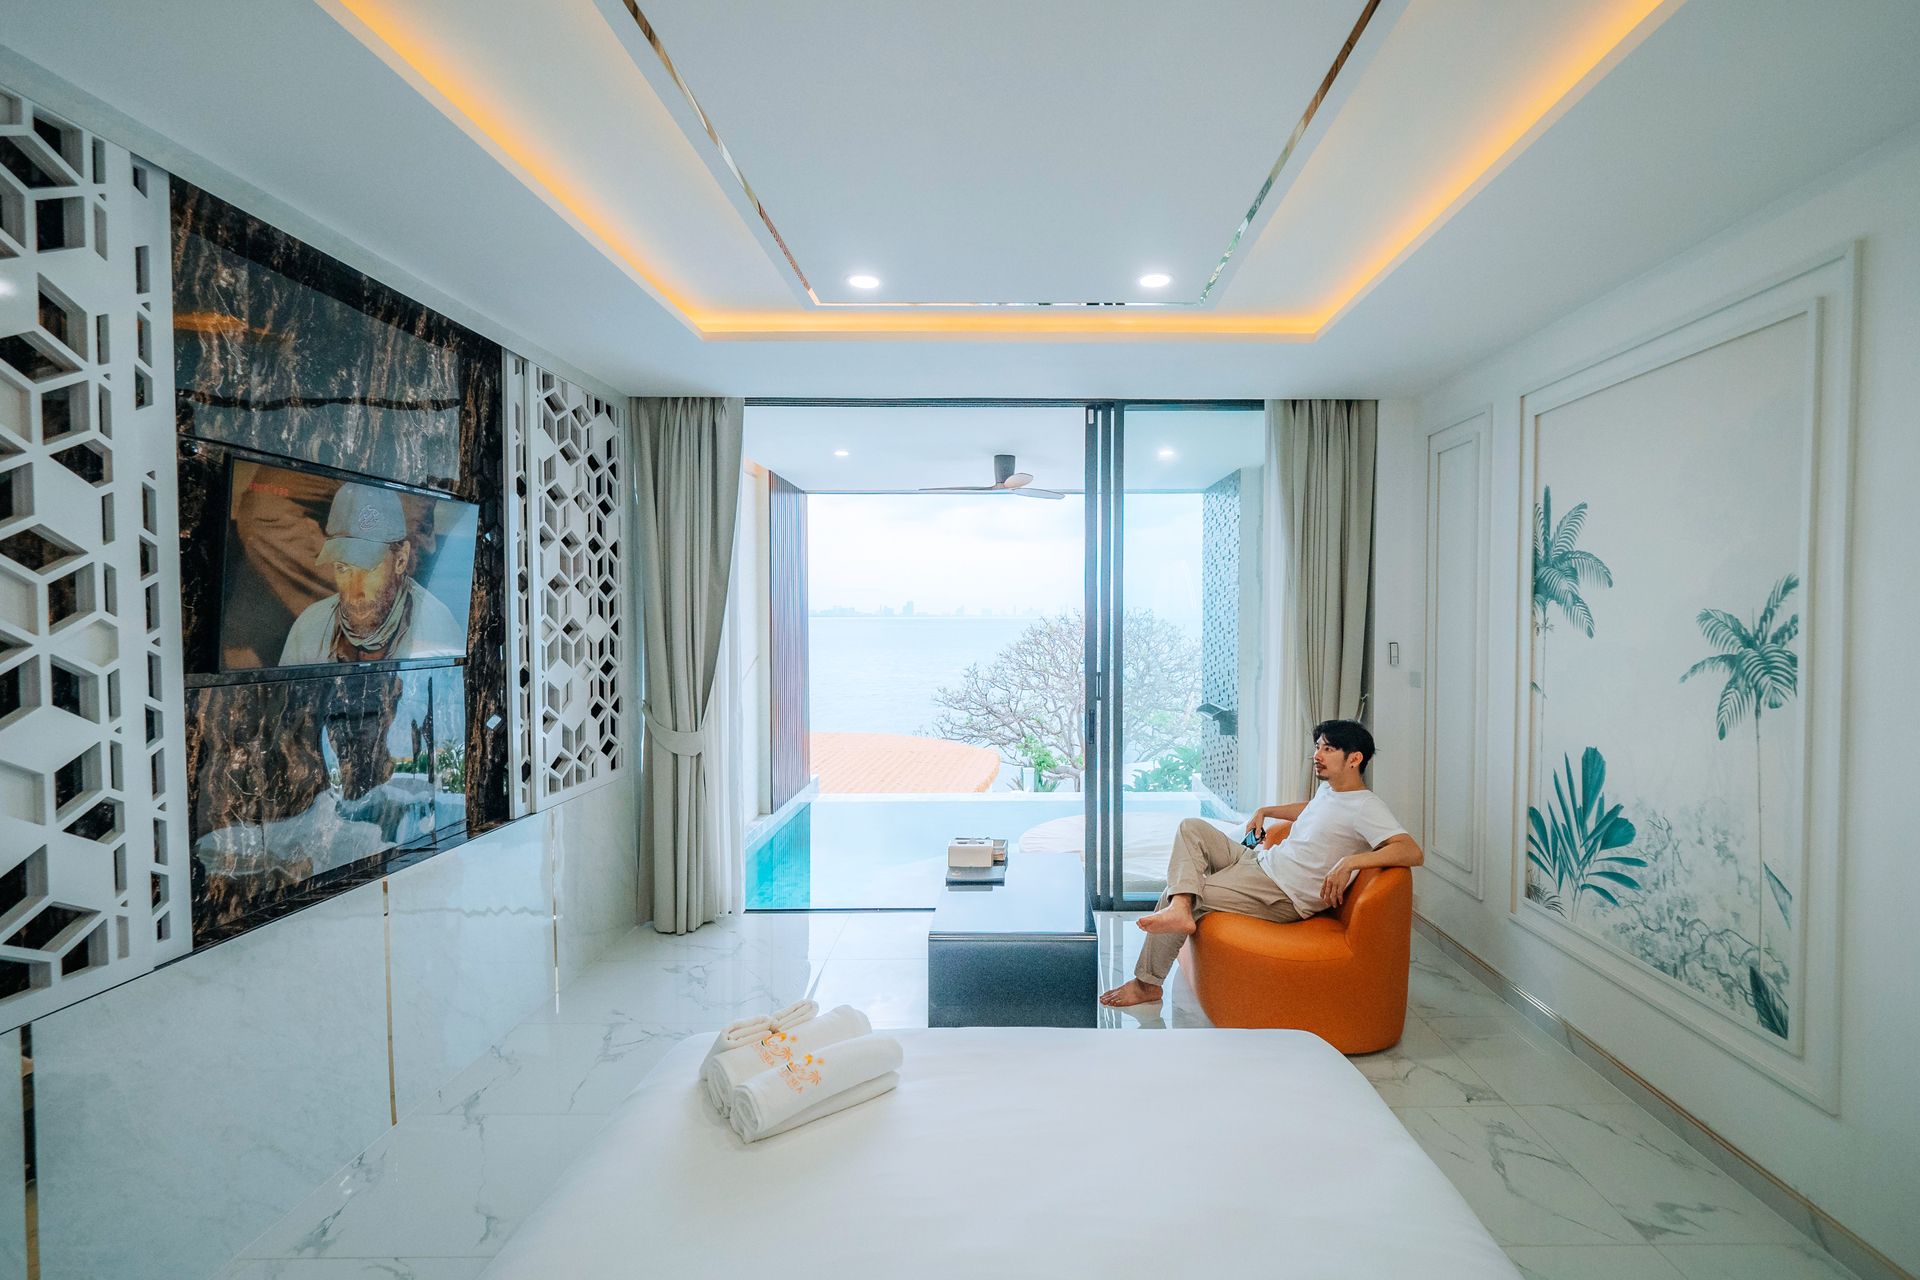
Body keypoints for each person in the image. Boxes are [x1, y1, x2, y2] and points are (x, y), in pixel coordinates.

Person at [1098, 719, 1422, 1008]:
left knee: (1176, 891)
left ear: (1355, 759)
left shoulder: (1367, 807)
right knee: (1191, 827)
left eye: (1329, 749)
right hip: (1259, 862)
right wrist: (1267, 810)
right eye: (1318, 747)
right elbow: (1311, 810)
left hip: (1279, 893)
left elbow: (1410, 851)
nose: (1318, 755)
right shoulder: (1332, 790)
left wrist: (1353, 861)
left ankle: (1147, 984)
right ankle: (1182, 908)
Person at [279, 482, 464, 665]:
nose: (355, 593)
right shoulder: (310, 627)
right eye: (343, 568)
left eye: (369, 568)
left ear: (400, 560)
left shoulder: (437, 628)